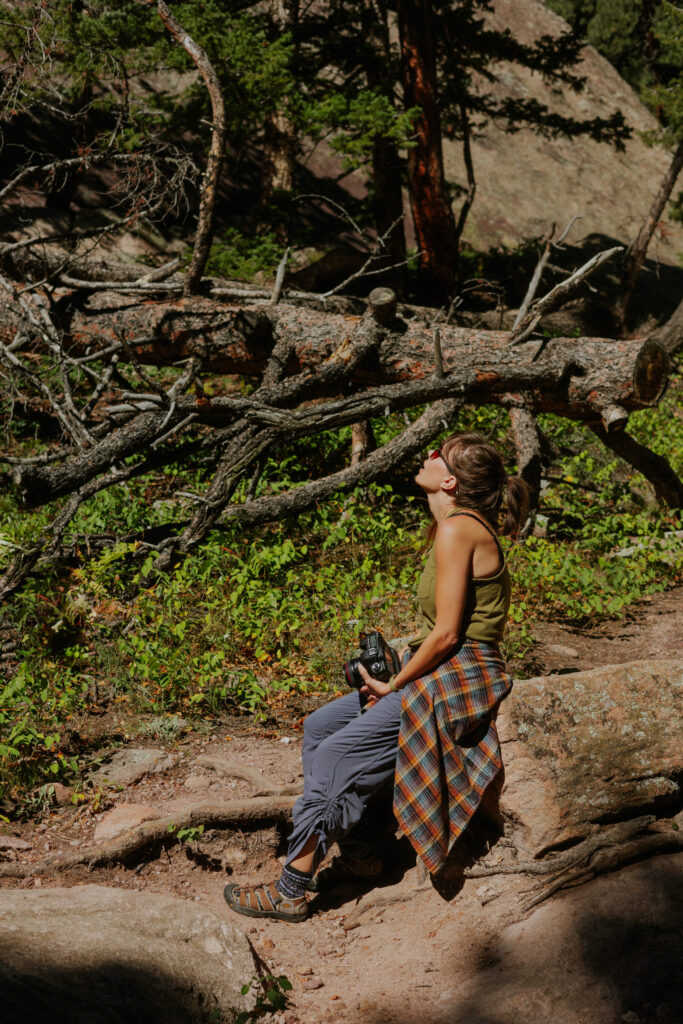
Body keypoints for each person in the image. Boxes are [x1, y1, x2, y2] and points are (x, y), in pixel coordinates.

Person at [224, 431, 529, 923]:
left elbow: (450, 634)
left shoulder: (460, 529)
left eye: (438, 455)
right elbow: (443, 625)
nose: (427, 455)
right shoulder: (450, 526)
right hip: (442, 662)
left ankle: (291, 888)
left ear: (449, 480)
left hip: (461, 673)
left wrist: (398, 681)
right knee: (320, 726)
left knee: (335, 752)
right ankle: (363, 854)